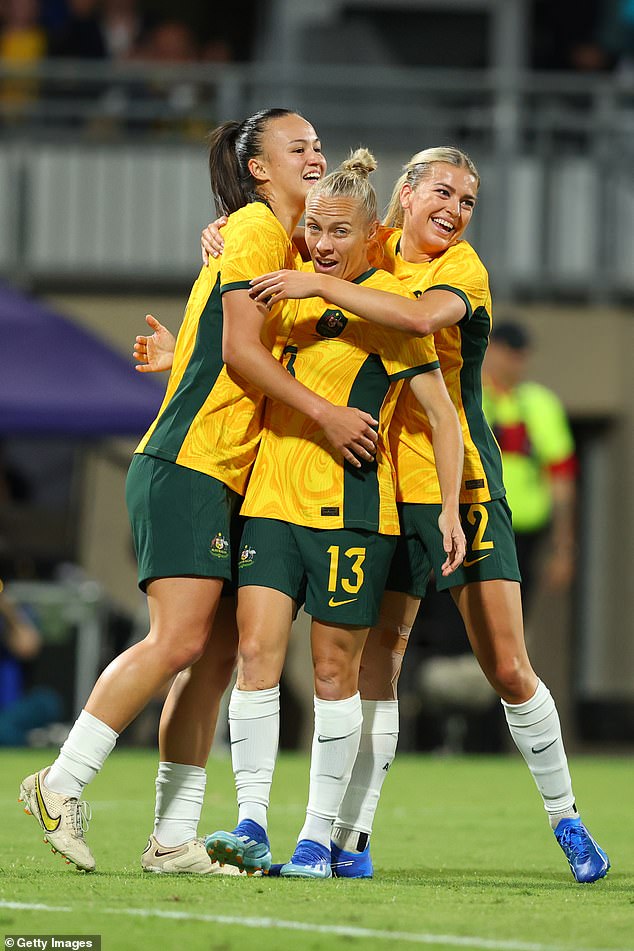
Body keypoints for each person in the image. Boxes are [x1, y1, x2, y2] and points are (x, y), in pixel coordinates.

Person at [18, 108, 379, 876]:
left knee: (211, 657)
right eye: (298, 147)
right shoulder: (251, 229)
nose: (315, 156)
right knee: (178, 640)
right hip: (190, 462)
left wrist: (180, 348)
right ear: (258, 168)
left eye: (319, 144)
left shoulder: (274, 241)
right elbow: (245, 353)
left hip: (224, 474)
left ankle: (172, 838)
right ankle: (61, 780)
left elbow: (224, 340)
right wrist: (326, 415)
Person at [248, 146, 610, 884]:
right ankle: (351, 837)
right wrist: (225, 237)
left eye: (469, 200)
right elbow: (309, 234)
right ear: (405, 195)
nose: (456, 209)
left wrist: (320, 280)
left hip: (463, 485)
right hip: (380, 486)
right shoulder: (369, 244)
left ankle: (567, 818)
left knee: (506, 664)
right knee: (378, 670)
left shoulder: (462, 270)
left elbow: (412, 316)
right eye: (443, 191)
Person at [201, 149, 465, 879]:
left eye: (340, 232)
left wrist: (447, 508)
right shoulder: (285, 283)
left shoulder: (389, 308)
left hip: (352, 509)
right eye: (314, 228)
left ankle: (319, 837)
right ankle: (250, 822)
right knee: (255, 656)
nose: (321, 243)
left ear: (372, 232)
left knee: (332, 673)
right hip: (270, 500)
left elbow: (442, 416)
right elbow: (240, 345)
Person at [482, 320, 577, 608]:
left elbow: (561, 476)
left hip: (524, 532)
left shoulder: (541, 403)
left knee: (513, 619)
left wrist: (563, 547)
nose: (515, 362)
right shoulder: (466, 395)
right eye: (509, 353)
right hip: (476, 524)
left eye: (520, 355)